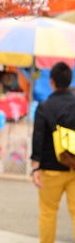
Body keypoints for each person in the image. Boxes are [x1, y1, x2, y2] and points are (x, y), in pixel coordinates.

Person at [31, 61, 75, 243]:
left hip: (51, 169)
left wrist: (35, 167)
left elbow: (38, 137)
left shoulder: (44, 106)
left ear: (52, 82)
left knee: (48, 214)